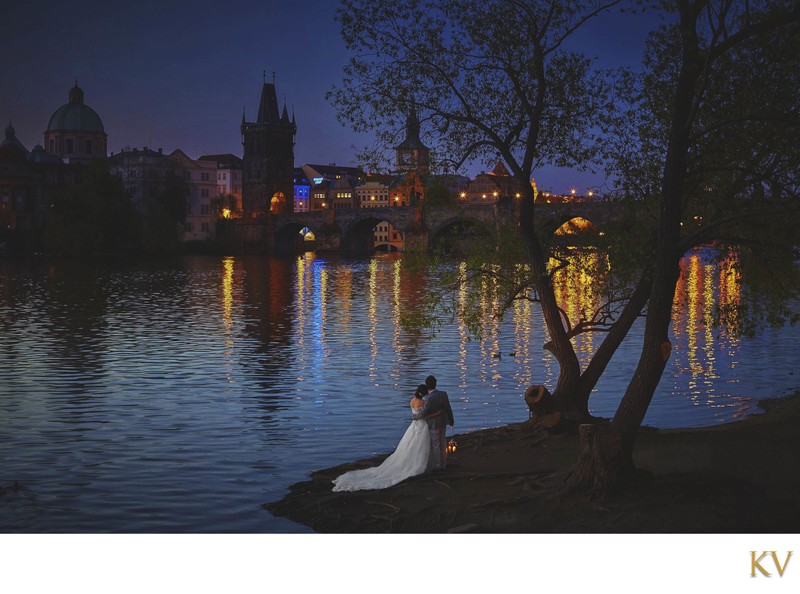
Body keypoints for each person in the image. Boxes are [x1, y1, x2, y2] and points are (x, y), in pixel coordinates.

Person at [332, 385, 433, 492]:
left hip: (413, 426)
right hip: (421, 425)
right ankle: (418, 464)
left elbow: (414, 414)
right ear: (423, 393)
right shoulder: (422, 403)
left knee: (410, 444)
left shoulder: (412, 401)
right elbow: (423, 415)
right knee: (420, 445)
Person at [421, 375, 454, 471]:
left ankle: (438, 465)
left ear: (427, 386)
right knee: (443, 443)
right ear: (436, 384)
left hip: (433, 425)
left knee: (436, 445)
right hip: (443, 422)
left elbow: (423, 413)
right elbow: (448, 408)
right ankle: (444, 464)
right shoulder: (444, 394)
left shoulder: (429, 399)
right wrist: (451, 420)